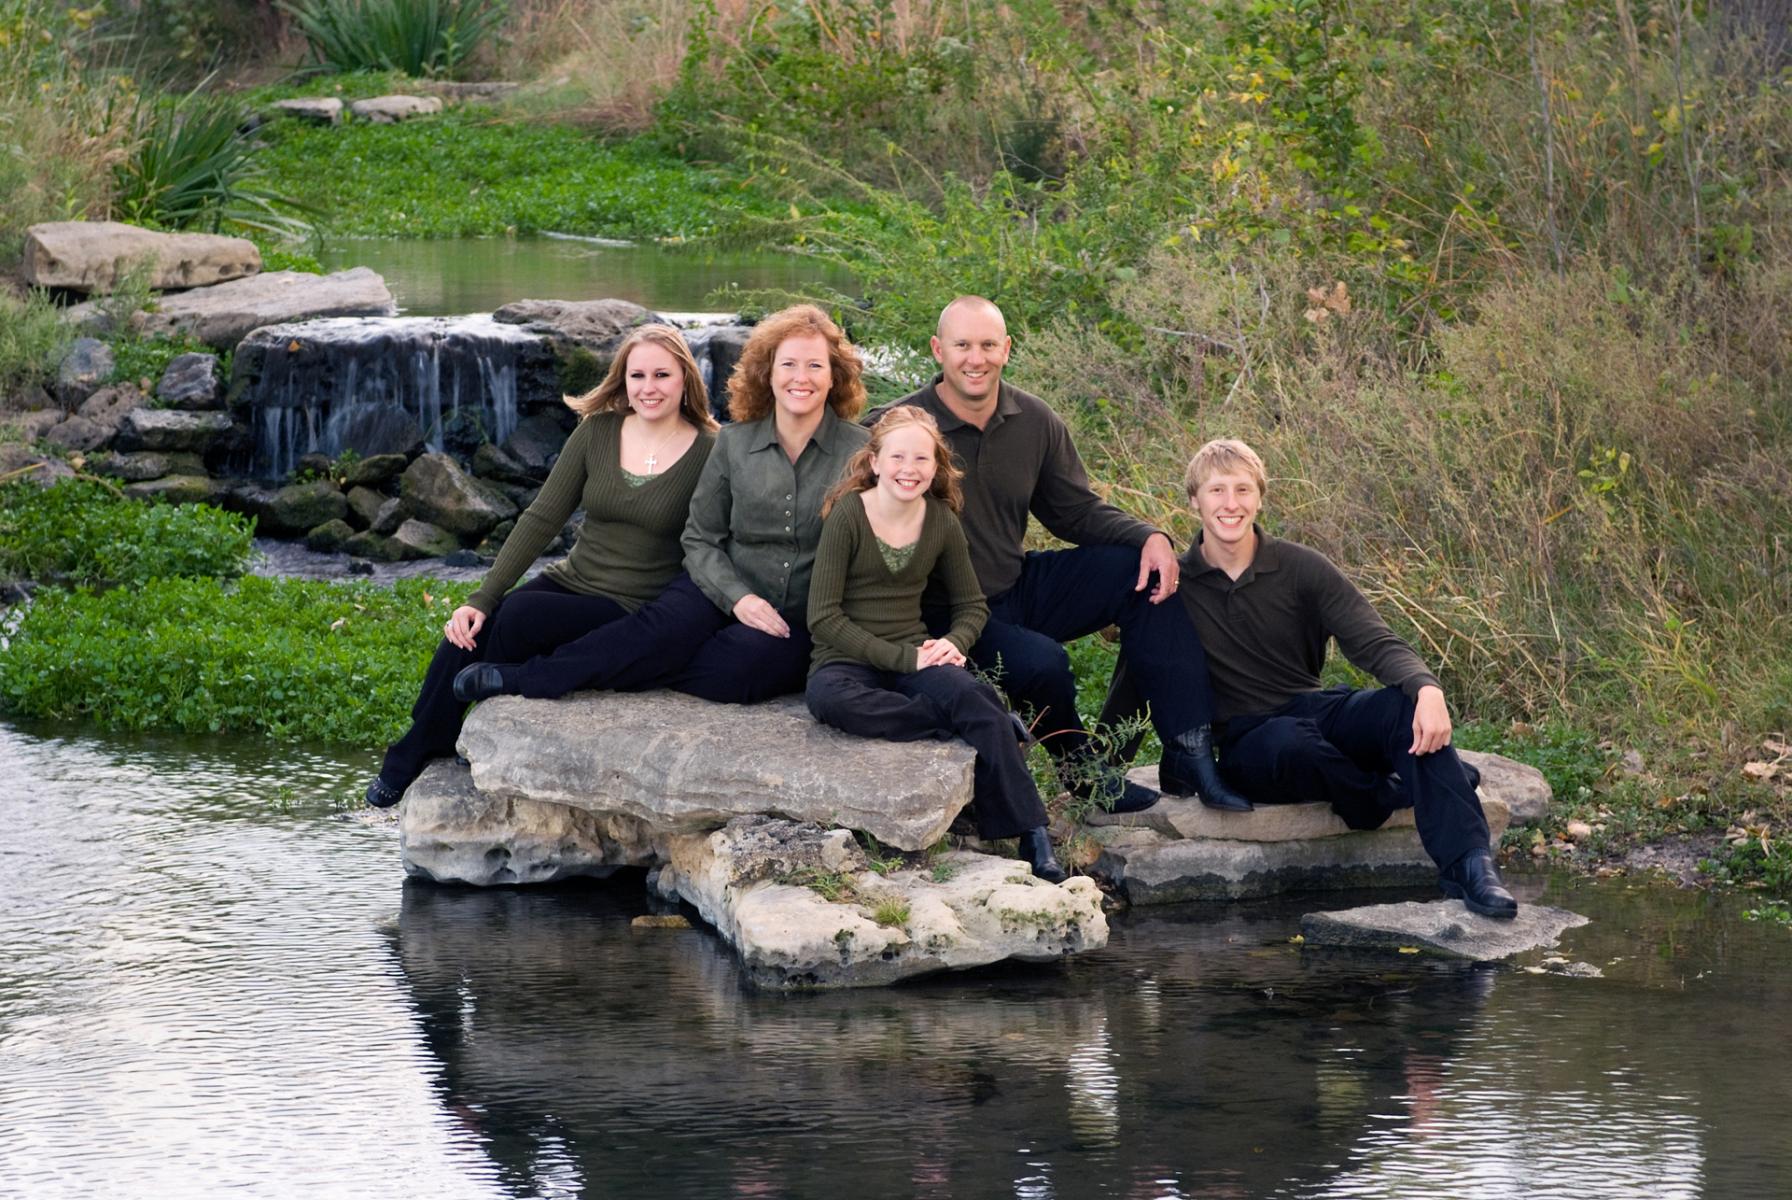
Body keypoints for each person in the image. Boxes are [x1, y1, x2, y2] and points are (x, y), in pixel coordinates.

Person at [872, 296, 1248, 815]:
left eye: (987, 345)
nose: (974, 359)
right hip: (943, 613)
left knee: (1139, 576)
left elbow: (1074, 512)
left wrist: (1148, 537)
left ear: (1006, 349)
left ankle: (1189, 754)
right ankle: (1083, 770)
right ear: (939, 350)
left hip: (1014, 583)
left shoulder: (1034, 420)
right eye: (961, 345)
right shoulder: (899, 428)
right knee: (1042, 663)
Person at [1111, 437, 1515, 917]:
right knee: (1291, 742)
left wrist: (1427, 690)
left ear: (1260, 497)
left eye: (1243, 489)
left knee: (1400, 712)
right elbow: (1137, 675)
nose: (1231, 504)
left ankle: (1471, 867)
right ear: (1194, 500)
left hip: (1314, 709)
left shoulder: (1300, 567)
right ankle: (1383, 794)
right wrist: (1103, 767)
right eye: (1217, 491)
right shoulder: (1174, 582)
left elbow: (1373, 639)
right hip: (1250, 742)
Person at [364, 324, 717, 807]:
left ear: (685, 380)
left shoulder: (710, 451)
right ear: (623, 380)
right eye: (638, 375)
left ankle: (453, 731)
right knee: (471, 629)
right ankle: (411, 754)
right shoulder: (598, 431)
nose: (649, 387)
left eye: (662, 375)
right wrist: (480, 598)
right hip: (573, 579)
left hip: (633, 604)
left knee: (520, 618)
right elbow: (543, 517)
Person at [805, 406, 1067, 882]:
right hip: (846, 658)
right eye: (899, 456)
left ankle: (1033, 834)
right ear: (875, 462)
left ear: (936, 466)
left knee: (972, 695)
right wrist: (906, 657)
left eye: (922, 459)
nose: (910, 469)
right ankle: (977, 723)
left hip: (917, 652)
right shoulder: (848, 515)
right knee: (831, 701)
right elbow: (823, 617)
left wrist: (953, 643)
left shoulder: (942, 520)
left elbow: (972, 605)